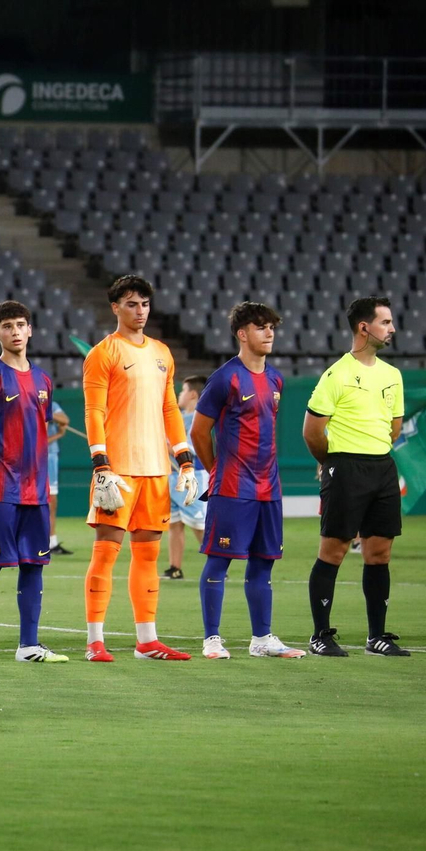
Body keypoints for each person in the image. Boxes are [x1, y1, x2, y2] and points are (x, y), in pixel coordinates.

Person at [81, 274, 198, 662]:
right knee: (106, 554)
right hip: (118, 471)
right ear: (115, 308)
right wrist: (100, 462)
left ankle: (147, 641)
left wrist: (184, 458)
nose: (140, 310)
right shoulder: (103, 353)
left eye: (145, 303)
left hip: (155, 471)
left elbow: (170, 410)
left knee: (148, 557)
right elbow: (93, 410)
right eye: (131, 304)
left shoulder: (163, 352)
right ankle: (94, 640)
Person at [188, 302, 303, 660]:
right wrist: (216, 470)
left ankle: (262, 639)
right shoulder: (225, 378)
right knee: (219, 561)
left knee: (263, 563)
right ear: (242, 333)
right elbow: (199, 431)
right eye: (260, 327)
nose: (269, 333)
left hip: (269, 487)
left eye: (271, 327)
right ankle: (212, 639)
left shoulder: (275, 379)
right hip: (233, 487)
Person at [0, 300, 67, 663]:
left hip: (35, 491)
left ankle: (29, 646)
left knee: (33, 566)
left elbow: (39, 429)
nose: (16, 331)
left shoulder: (43, 380)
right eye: (8, 326)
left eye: (21, 325)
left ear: (30, 330)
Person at [302, 296, 407, 657]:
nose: (392, 329)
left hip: (382, 468)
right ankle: (320, 635)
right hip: (345, 468)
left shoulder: (393, 375)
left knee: (379, 553)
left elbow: (394, 428)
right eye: (386, 322)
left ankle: (376, 636)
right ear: (364, 327)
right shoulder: (337, 374)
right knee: (333, 551)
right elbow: (312, 432)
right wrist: (333, 463)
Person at [164, 375, 211, 580]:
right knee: (175, 523)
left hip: (193, 476)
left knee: (198, 524)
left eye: (182, 391)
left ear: (193, 394)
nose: (179, 395)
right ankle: (175, 567)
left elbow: (191, 450)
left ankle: (216, 565)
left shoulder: (199, 419)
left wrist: (167, 446)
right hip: (174, 476)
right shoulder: (180, 417)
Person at [47, 406, 71, 555]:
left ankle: (51, 542)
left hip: (50, 458)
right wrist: (59, 434)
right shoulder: (27, 405)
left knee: (52, 503)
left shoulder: (50, 403)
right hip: (37, 459)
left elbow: (64, 419)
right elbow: (39, 442)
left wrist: (48, 413)